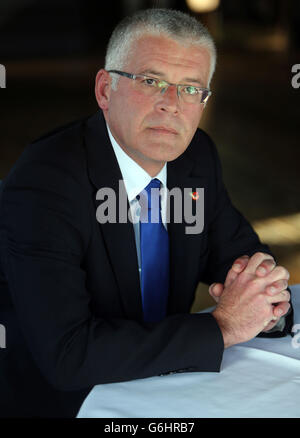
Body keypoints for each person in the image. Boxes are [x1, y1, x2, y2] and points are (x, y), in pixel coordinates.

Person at [0, 8, 293, 418]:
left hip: (166, 380)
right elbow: (68, 355)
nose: (171, 105)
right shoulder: (45, 184)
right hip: (66, 402)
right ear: (105, 90)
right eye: (151, 81)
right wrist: (224, 326)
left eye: (191, 89)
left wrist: (265, 298)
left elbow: (240, 256)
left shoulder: (197, 156)